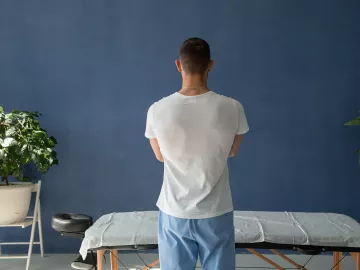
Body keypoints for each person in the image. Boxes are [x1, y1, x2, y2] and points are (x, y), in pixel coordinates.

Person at [145, 37, 249, 270]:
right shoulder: (233, 107)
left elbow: (161, 156)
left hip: (174, 212)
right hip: (216, 211)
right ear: (210, 65)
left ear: (179, 65)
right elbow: (231, 151)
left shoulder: (157, 109)